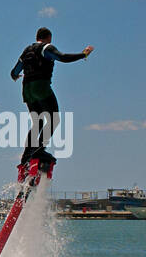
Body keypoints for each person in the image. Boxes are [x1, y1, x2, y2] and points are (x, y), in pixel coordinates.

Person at [10, 27, 93, 178]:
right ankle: (39, 150)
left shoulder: (26, 51)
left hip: (27, 89)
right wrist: (83, 54)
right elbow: (63, 57)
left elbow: (14, 71)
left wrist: (16, 76)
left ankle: (26, 157)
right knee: (54, 119)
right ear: (48, 37)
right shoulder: (46, 47)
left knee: (38, 122)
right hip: (40, 87)